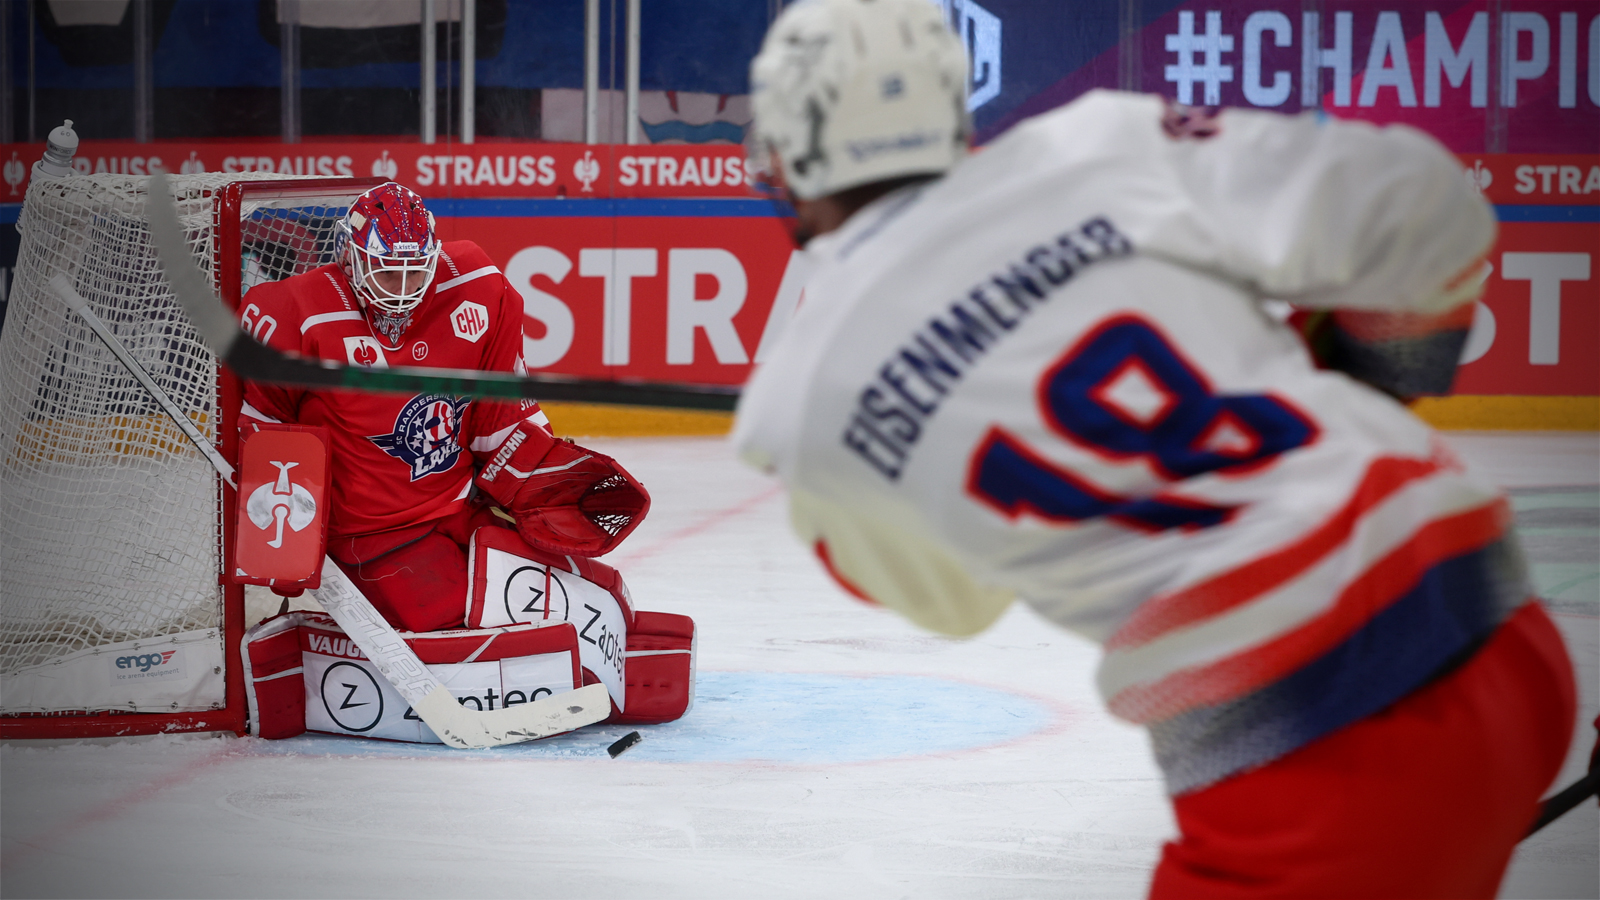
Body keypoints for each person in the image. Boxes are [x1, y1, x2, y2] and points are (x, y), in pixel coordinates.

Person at [731, 1, 1577, 896]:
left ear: (787, 152)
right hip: (1506, 633)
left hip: (1324, 754)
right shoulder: (1098, 145)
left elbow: (954, 605)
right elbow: (1423, 205)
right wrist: (1376, 386)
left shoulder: (799, 406)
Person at [239, 182, 649, 632]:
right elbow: (264, 438)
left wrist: (533, 474)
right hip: (370, 539)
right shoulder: (293, 313)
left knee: (600, 600)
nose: (403, 287)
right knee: (467, 621)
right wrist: (282, 551)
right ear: (350, 258)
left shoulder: (480, 286)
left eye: (415, 271)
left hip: (460, 510)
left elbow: (499, 413)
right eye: (387, 272)